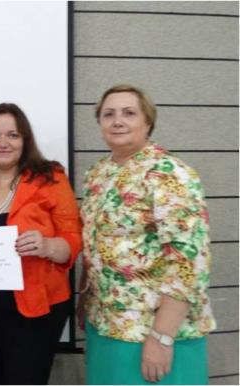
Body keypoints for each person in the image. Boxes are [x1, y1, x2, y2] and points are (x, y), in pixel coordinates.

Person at [76, 84, 217, 384]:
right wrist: (84, 300)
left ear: (148, 122)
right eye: (108, 114)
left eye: (129, 113)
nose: (117, 121)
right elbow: (93, 244)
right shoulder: (97, 174)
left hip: (154, 331)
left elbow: (188, 262)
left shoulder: (169, 172)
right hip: (106, 324)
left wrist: (161, 338)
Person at [0, 103, 82, 384]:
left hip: (37, 307)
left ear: (25, 140)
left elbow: (72, 238)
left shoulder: (50, 177)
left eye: (13, 135)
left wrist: (47, 246)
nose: (3, 142)